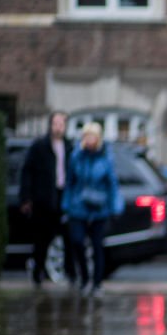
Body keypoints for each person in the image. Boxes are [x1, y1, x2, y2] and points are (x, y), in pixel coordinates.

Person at [62, 122, 122, 298]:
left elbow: (112, 184)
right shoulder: (76, 157)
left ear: (98, 138)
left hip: (99, 208)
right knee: (77, 241)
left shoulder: (105, 158)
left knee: (97, 246)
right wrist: (66, 204)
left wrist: (114, 207)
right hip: (78, 206)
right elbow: (70, 182)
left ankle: (97, 283)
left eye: (92, 136)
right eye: (86, 136)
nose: (89, 140)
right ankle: (84, 278)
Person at [19, 111, 74, 288]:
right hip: (43, 198)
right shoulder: (39, 146)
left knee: (69, 238)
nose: (58, 128)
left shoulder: (70, 146)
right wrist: (27, 198)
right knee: (41, 238)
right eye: (55, 124)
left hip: (64, 196)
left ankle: (70, 273)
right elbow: (27, 172)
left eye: (61, 124)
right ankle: (38, 273)